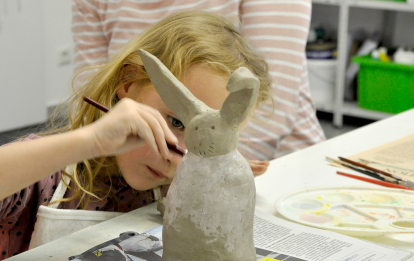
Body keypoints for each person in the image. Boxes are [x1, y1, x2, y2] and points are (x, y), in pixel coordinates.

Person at [0, 11, 271, 261]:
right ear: (128, 85)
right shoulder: (52, 176)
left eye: (206, 140)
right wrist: (90, 140)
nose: (176, 154)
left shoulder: (191, 182)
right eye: (176, 123)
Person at [71, 0, 326, 161]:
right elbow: (93, 90)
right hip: (155, 165)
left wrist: (200, 173)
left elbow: (268, 106)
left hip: (273, 162)